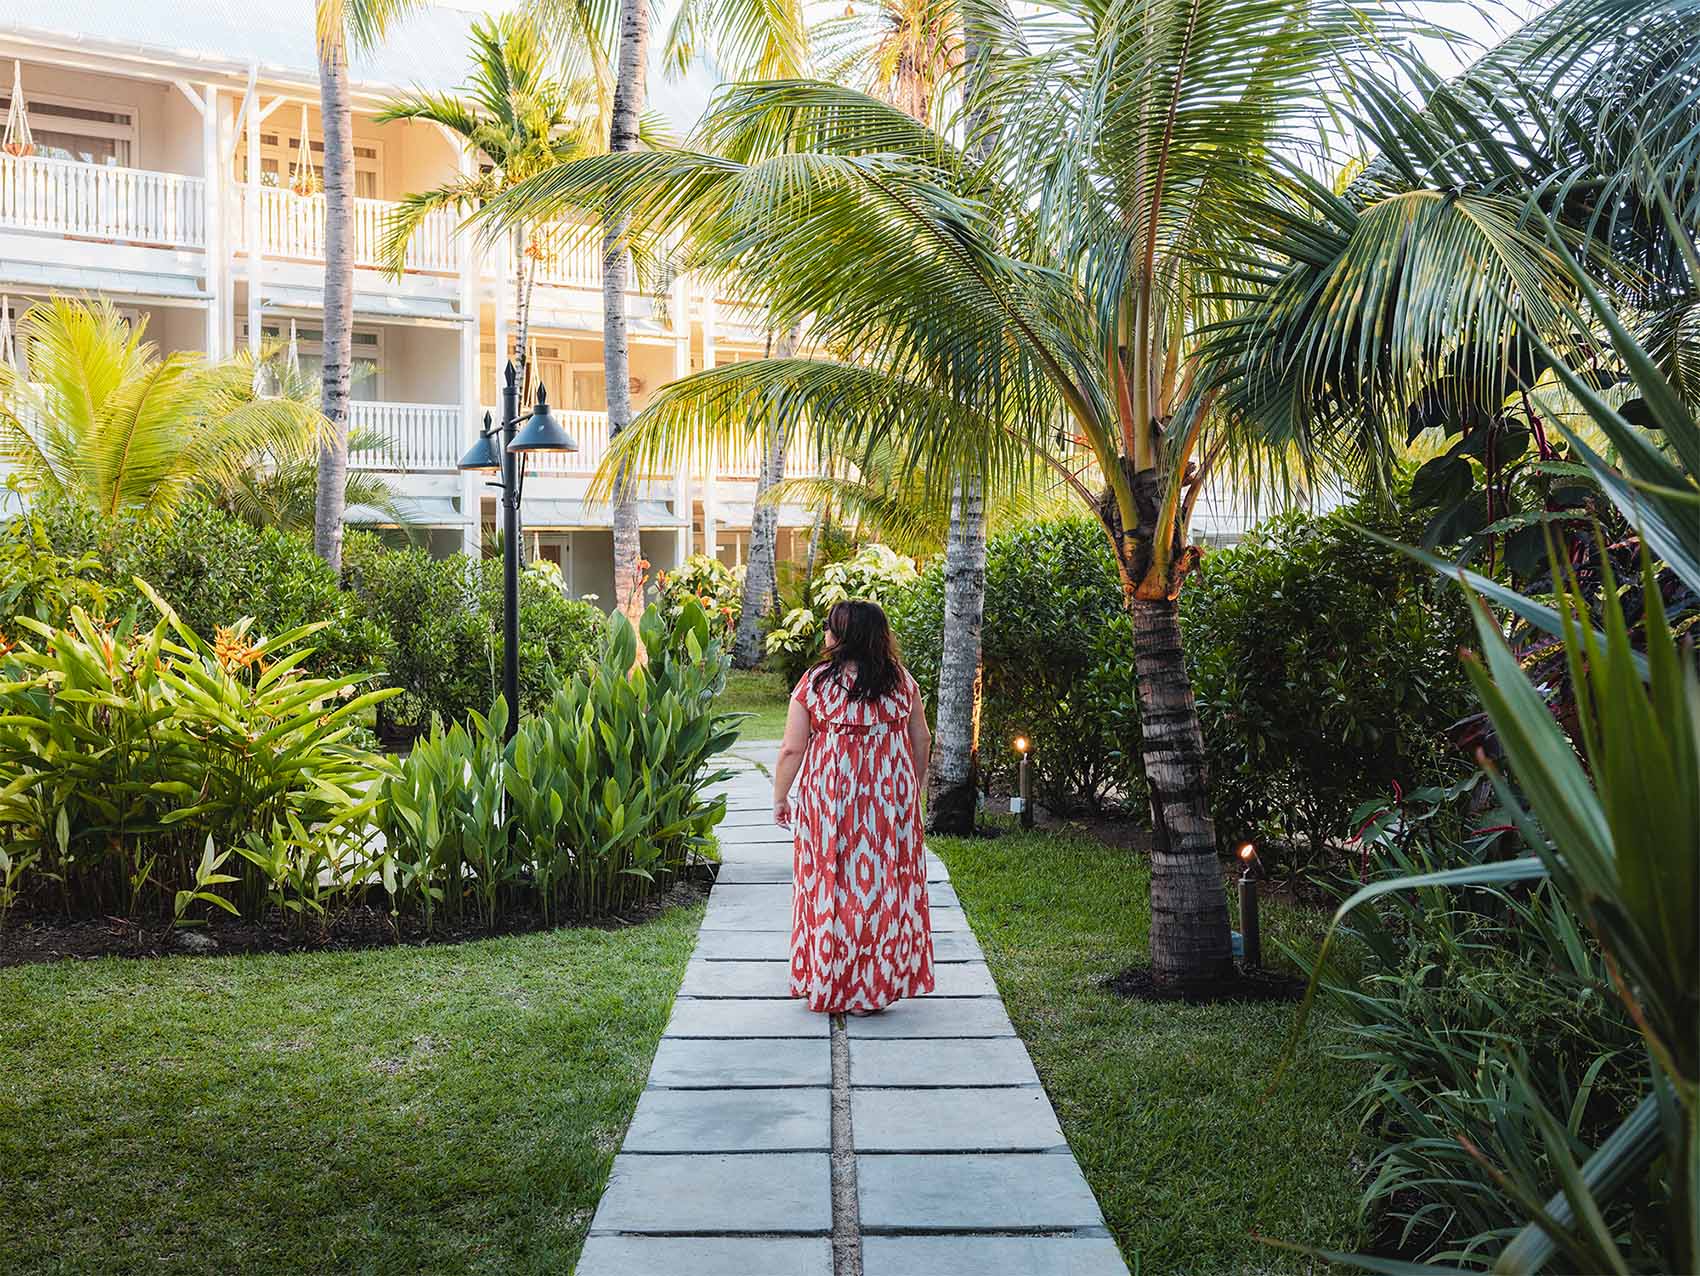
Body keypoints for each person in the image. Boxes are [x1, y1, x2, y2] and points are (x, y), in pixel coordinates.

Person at [772, 599, 935, 1015]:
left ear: (843, 636)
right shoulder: (902, 681)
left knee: (829, 881)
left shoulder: (814, 683)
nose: (825, 634)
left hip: (831, 798)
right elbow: (921, 739)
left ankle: (830, 979)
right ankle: (872, 987)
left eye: (830, 628)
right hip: (888, 797)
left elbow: (793, 748)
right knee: (881, 887)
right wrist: (911, 788)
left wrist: (780, 796)